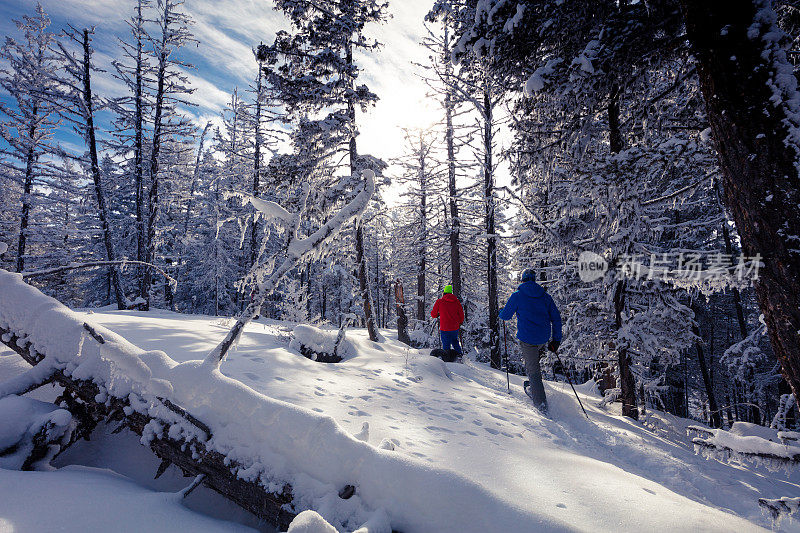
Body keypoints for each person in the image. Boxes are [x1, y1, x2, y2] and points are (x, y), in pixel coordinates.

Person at [500, 268, 562, 413]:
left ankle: (541, 406)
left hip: (527, 339)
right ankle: (532, 387)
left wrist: (501, 312)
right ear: (534, 280)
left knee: (533, 371)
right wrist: (556, 340)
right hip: (543, 339)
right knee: (533, 366)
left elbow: (506, 316)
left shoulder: (517, 296)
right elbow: (556, 319)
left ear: (522, 280)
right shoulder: (545, 297)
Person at [430, 285, 464, 358]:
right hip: (455, 327)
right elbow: (461, 314)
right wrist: (460, 322)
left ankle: (447, 359)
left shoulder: (439, 301)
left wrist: (438, 314)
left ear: (444, 293)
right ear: (451, 293)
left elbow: (433, 314)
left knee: (446, 344)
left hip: (444, 327)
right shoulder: (456, 301)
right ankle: (459, 356)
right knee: (455, 342)